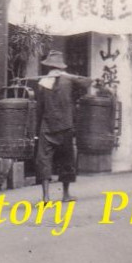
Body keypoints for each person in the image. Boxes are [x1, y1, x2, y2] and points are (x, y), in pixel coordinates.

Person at [34, 51, 91, 203]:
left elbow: (39, 108)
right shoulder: (68, 81)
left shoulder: (42, 84)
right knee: (67, 160)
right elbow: (87, 83)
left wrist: (36, 130)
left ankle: (46, 196)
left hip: (47, 126)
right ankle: (65, 194)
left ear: (48, 67)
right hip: (66, 125)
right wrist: (73, 77)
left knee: (44, 160)